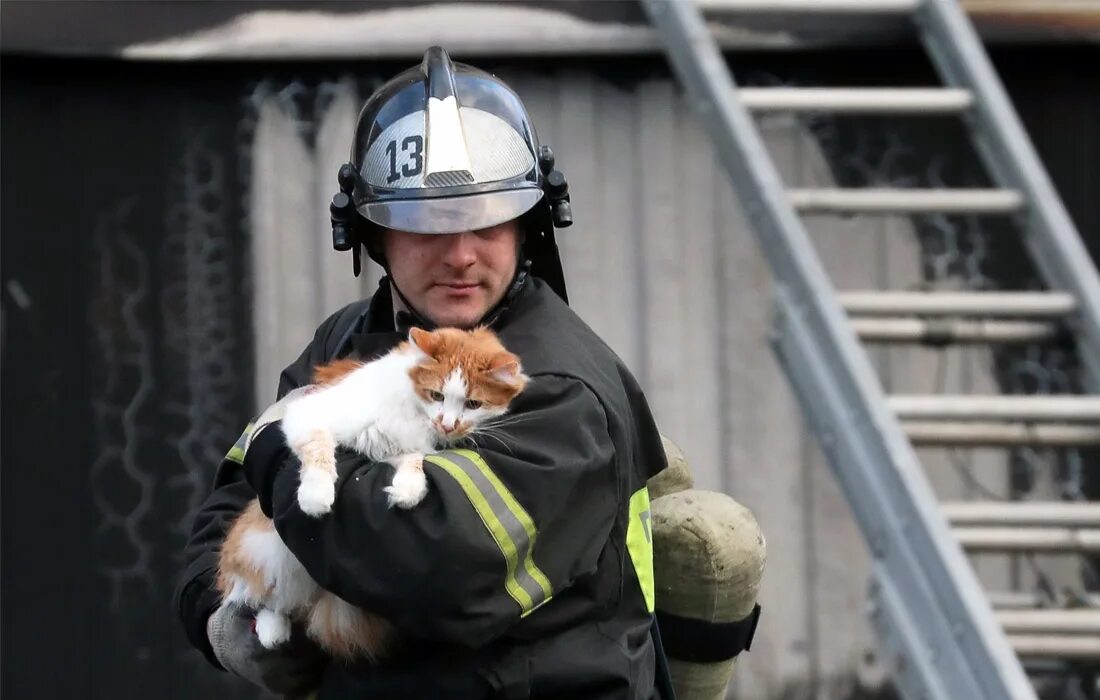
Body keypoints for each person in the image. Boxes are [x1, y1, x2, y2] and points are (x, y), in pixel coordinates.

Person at [174, 47, 669, 699]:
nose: (461, 254)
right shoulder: (350, 336)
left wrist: (282, 445)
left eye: (488, 221)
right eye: (427, 224)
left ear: (529, 226)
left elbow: (434, 564)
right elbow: (236, 496)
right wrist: (214, 613)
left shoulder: (557, 385)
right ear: (373, 234)